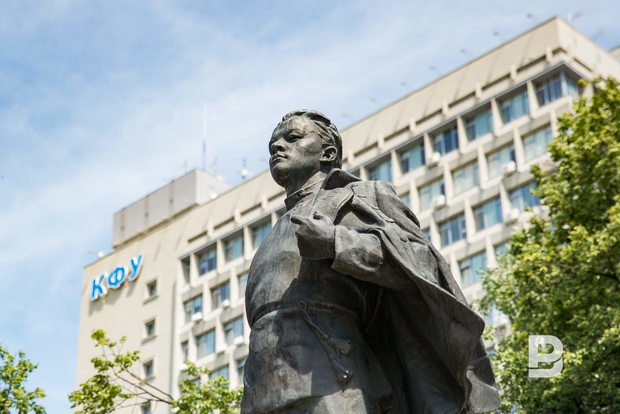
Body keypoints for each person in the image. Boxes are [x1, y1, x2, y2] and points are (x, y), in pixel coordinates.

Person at [242, 110, 499, 414]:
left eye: (293, 138)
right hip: (263, 385)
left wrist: (335, 242)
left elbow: (420, 261)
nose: (277, 146)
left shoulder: (362, 196)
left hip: (333, 377)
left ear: (328, 153)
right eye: (273, 143)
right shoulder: (271, 235)